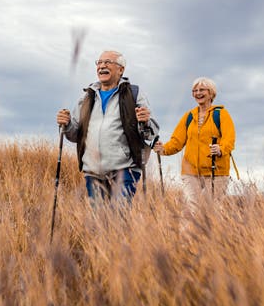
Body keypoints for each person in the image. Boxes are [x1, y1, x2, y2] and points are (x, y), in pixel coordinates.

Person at [56, 50, 159, 203]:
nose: (102, 66)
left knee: (118, 217)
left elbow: (151, 133)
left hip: (125, 169)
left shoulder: (133, 94)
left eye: (108, 62)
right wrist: (66, 123)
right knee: (99, 222)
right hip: (93, 171)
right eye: (99, 62)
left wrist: (145, 121)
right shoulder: (87, 96)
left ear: (121, 69)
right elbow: (74, 134)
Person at [153, 77, 235, 209]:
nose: (197, 93)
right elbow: (177, 141)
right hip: (190, 171)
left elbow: (229, 139)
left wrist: (220, 149)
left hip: (216, 170)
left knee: (212, 209)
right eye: (194, 91)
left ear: (211, 93)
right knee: (191, 208)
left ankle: (212, 230)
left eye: (202, 90)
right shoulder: (189, 116)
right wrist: (163, 149)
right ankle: (186, 231)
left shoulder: (221, 114)